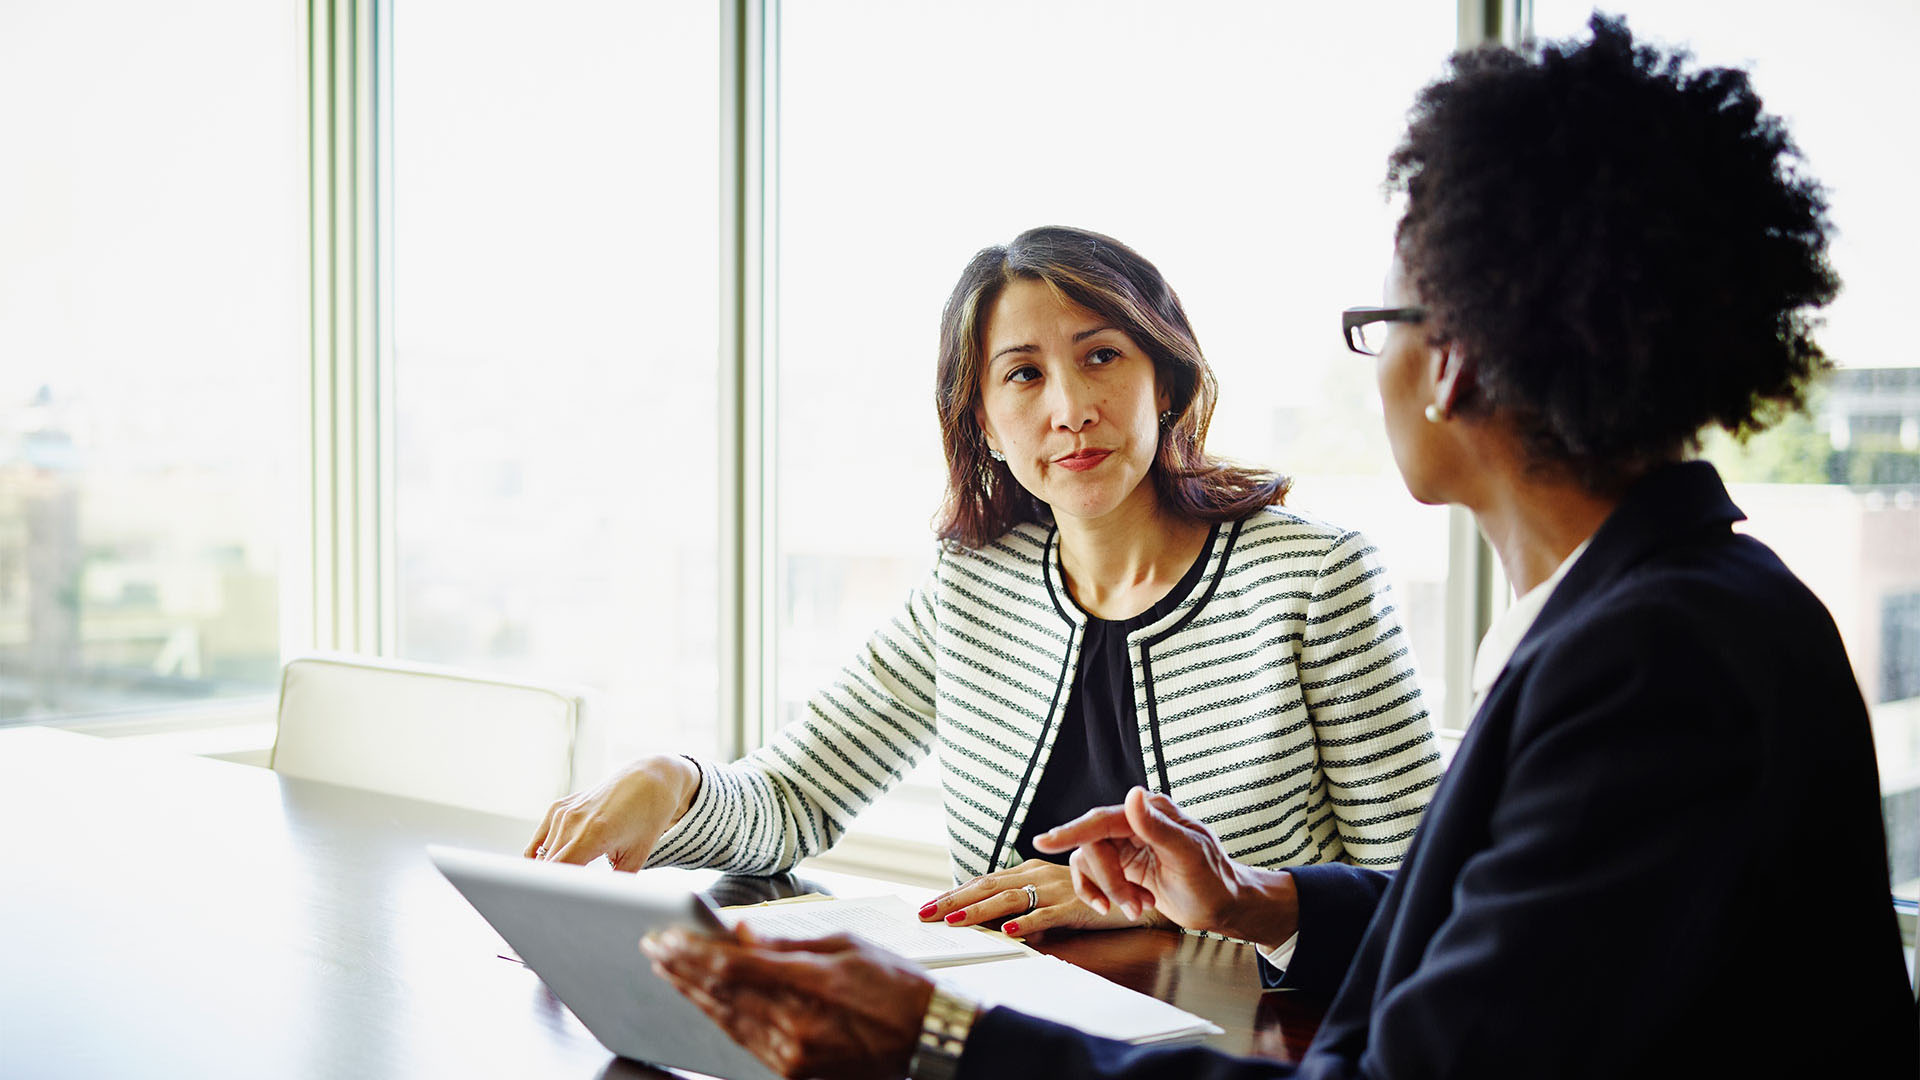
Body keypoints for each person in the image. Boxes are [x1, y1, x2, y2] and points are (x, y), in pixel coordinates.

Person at [639, 15, 1920, 1078]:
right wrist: (1255, 901)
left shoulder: (1653, 665)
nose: (1068, 404)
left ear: (1458, 358)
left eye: (1385, 319)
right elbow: (1472, 930)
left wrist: (944, 1043)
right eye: (1020, 375)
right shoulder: (1652, 615)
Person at [530, 225, 1442, 939]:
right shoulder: (974, 586)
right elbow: (794, 799)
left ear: (1165, 380)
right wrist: (668, 782)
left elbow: (1426, 895)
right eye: (1023, 375)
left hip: (1256, 1044)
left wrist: (1155, 900)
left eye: (1101, 356)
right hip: (1011, 1036)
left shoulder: (1314, 580)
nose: (1070, 409)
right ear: (983, 422)